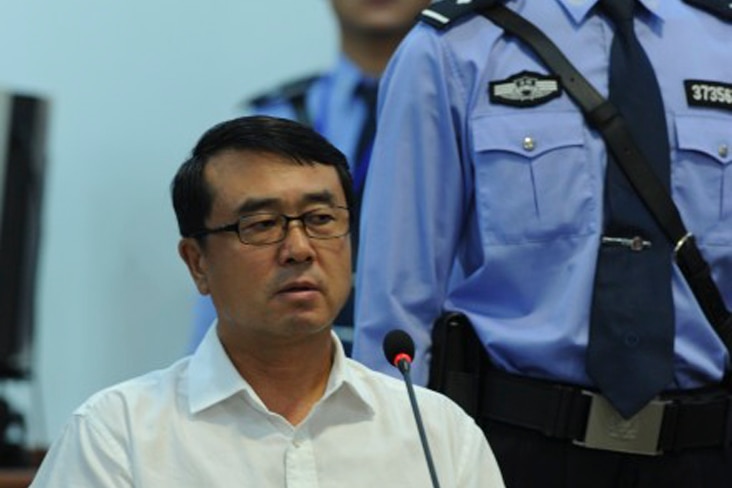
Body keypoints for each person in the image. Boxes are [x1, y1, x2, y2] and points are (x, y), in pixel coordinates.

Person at [352, 0, 732, 486]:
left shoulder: (720, 40)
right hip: (516, 449)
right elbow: (398, 302)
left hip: (704, 453)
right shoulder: (452, 48)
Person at [30, 116, 504, 487]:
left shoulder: (438, 435)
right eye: (260, 225)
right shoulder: (118, 436)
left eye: (320, 218)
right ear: (197, 263)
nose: (299, 248)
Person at [190, 0, 432, 354]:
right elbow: (227, 274)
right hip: (288, 373)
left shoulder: (470, 117)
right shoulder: (276, 116)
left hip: (428, 368)